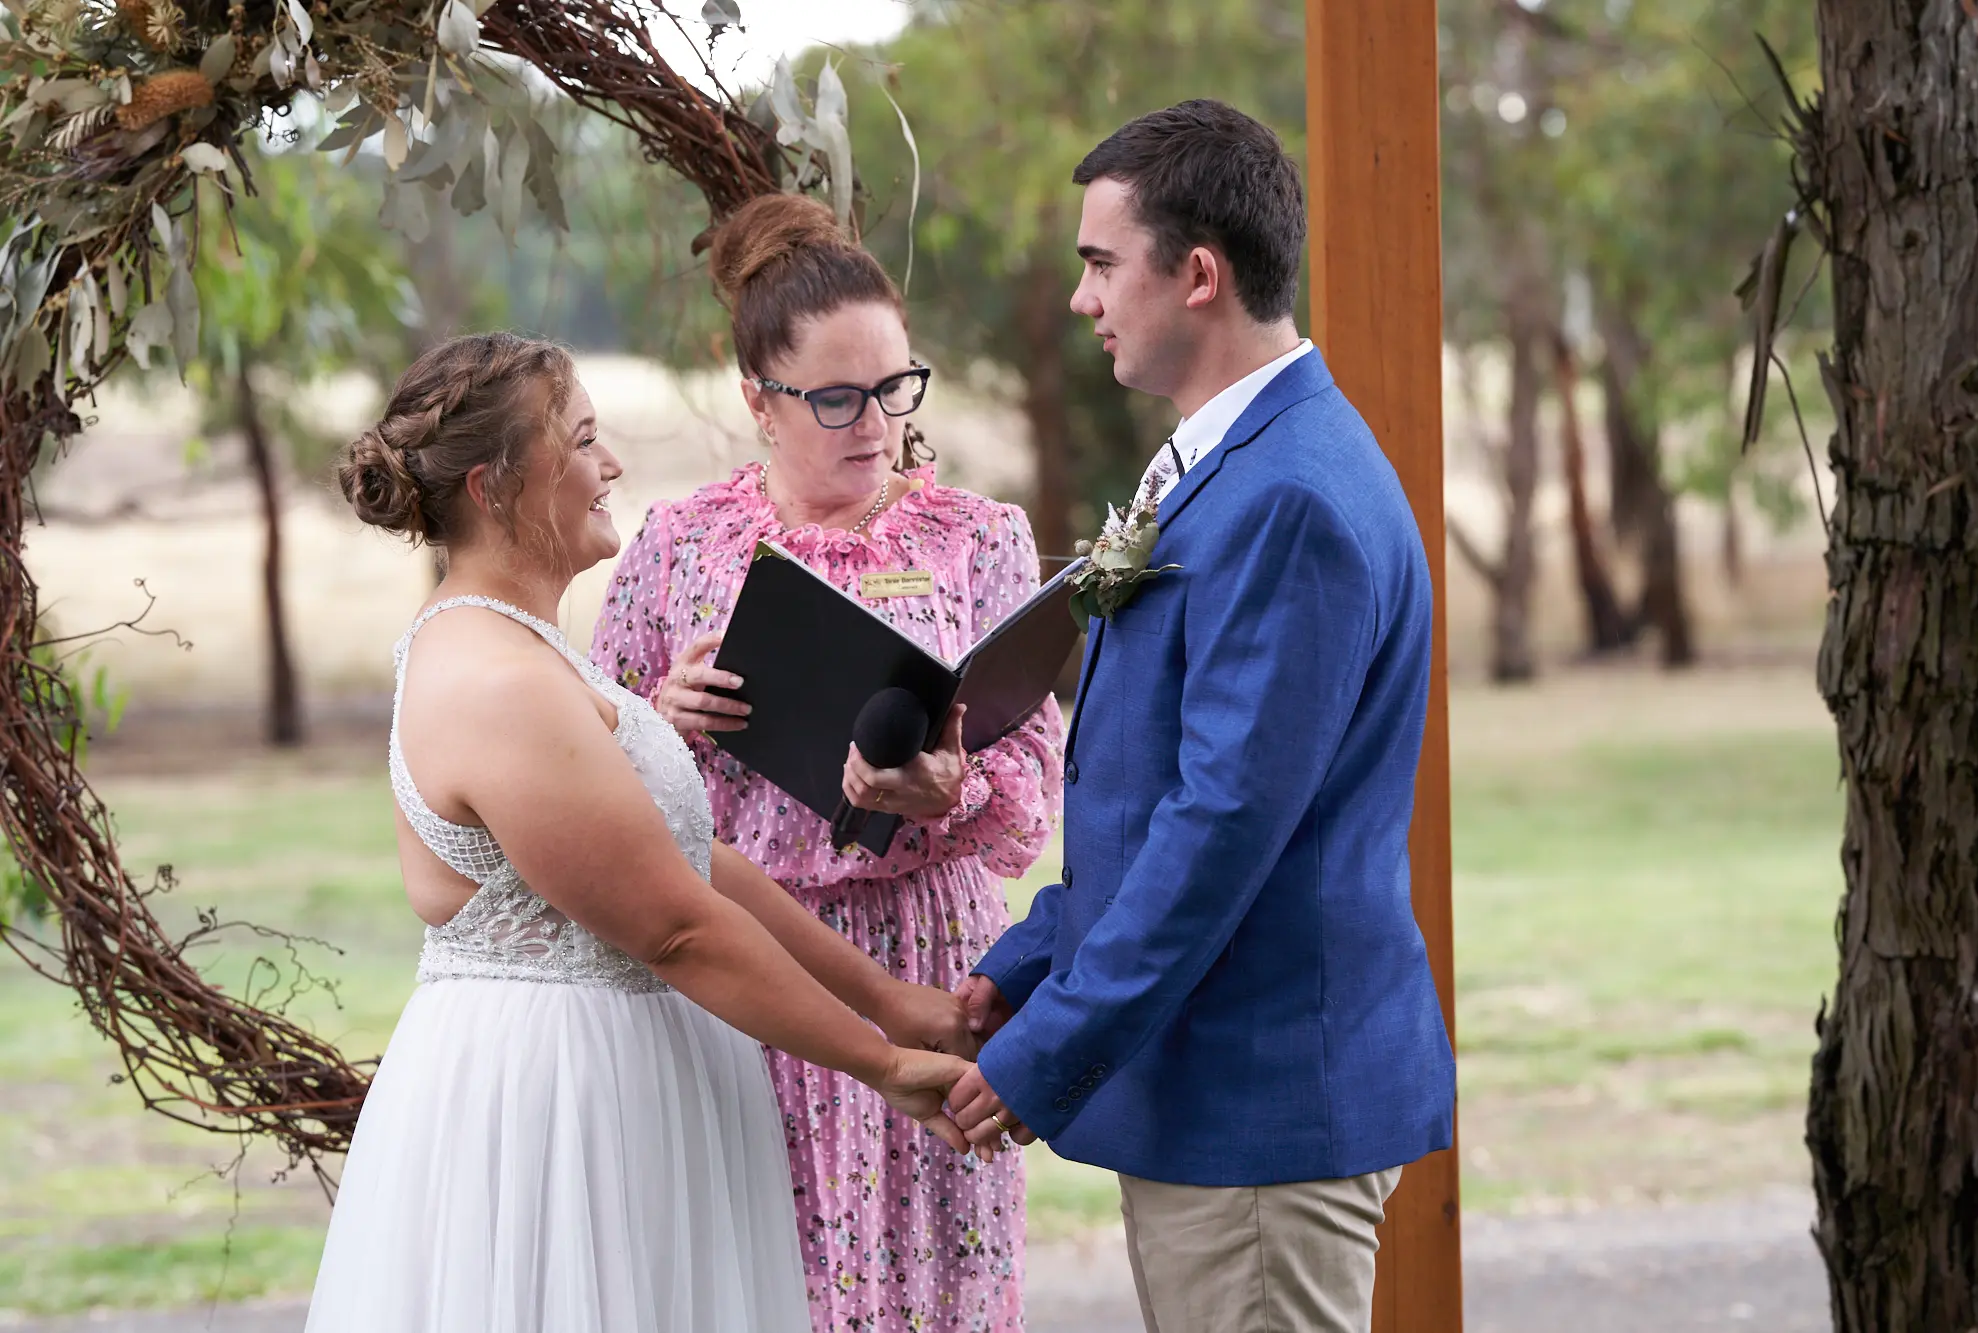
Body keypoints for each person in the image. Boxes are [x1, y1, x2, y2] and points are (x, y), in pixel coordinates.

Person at [307, 332, 980, 1333]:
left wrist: (891, 1002)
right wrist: (880, 1066)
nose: (611, 464)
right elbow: (674, 927)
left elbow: (690, 862)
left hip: (628, 1083)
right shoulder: (495, 681)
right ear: (495, 487)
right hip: (555, 1112)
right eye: (583, 441)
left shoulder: (532, 650)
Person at [947, 101, 1458, 1333]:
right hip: (1213, 1099)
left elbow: (1222, 824)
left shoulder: (1288, 497)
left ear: (1196, 275)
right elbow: (1157, 790)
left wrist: (1050, 1047)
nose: (1083, 298)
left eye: (1099, 263)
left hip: (1257, 1106)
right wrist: (1029, 962)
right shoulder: (1230, 460)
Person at [591, 193, 1062, 1332]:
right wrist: (662, 715)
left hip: (929, 957)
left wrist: (952, 793)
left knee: (927, 1285)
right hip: (742, 954)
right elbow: (589, 771)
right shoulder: (677, 546)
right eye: (839, 397)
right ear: (757, 398)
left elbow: (1035, 781)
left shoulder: (980, 539)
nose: (876, 424)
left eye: (897, 388)